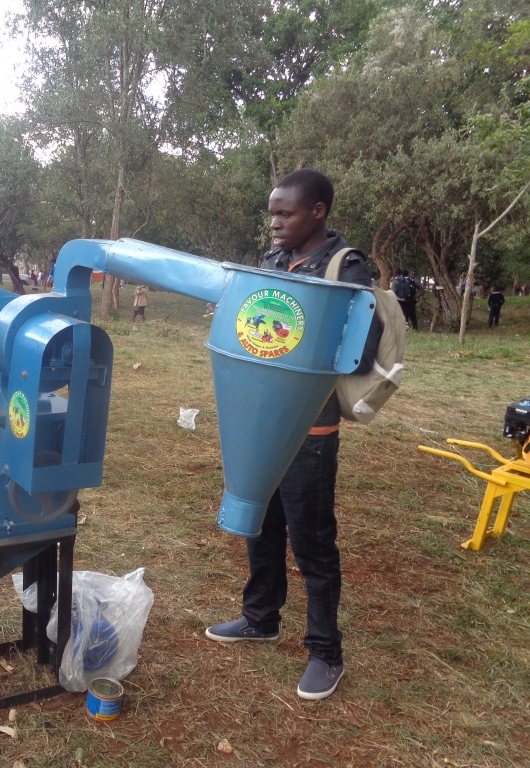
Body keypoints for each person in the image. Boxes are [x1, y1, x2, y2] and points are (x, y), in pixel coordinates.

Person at [205, 168, 378, 702]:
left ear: (318, 211)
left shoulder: (346, 268)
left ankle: (326, 651)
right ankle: (261, 617)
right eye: (272, 213)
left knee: (313, 543)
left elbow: (361, 351)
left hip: (310, 429)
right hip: (260, 423)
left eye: (286, 213)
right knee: (260, 523)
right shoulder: (271, 264)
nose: (275, 223)